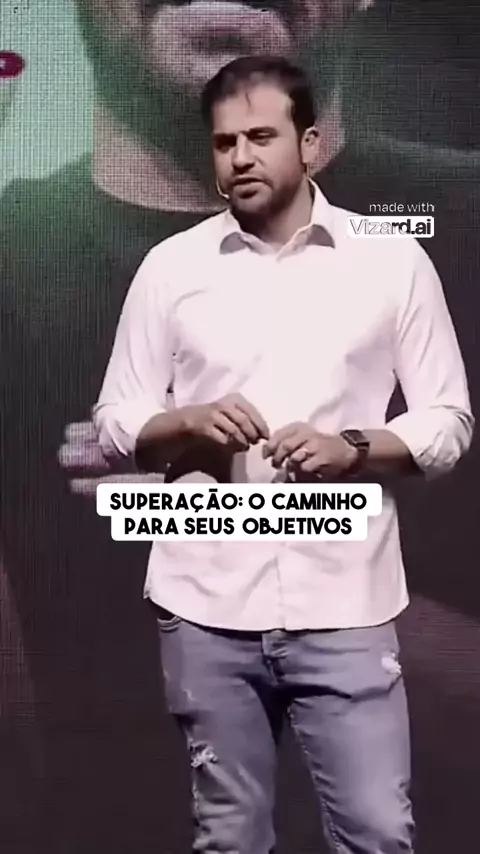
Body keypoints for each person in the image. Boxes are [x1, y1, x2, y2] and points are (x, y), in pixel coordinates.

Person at [93, 56, 473, 854]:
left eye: (260, 137)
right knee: (229, 836)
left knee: (377, 833)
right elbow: (116, 418)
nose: (240, 157)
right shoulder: (172, 268)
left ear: (310, 142)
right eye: (224, 142)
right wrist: (185, 423)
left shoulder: (391, 261)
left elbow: (448, 417)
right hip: (204, 604)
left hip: (344, 600)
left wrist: (355, 447)